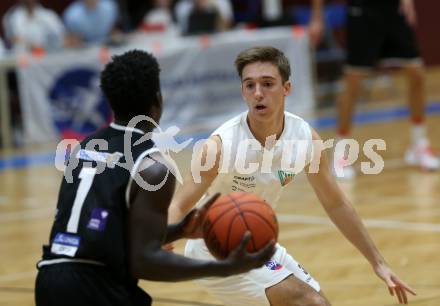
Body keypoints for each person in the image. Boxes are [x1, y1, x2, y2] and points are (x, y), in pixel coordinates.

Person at [168, 46, 416, 306]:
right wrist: (164, 238)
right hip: (214, 250)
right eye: (249, 85)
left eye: (267, 84)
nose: (258, 93)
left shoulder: (305, 138)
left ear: (286, 88)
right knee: (310, 303)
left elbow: (336, 203)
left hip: (259, 245)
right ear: (242, 92)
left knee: (320, 303)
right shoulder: (220, 146)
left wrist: (378, 262)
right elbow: (179, 204)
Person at [34, 50, 275, 306]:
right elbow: (144, 261)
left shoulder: (85, 146)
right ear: (157, 99)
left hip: (50, 280)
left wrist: (177, 231)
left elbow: (106, 236)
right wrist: (223, 268)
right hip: (96, 287)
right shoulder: (153, 166)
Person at [334, 0, 439, 178]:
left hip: (393, 10)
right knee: (353, 80)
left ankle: (418, 143)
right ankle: (341, 152)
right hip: (362, 11)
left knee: (416, 72)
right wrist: (317, 17)